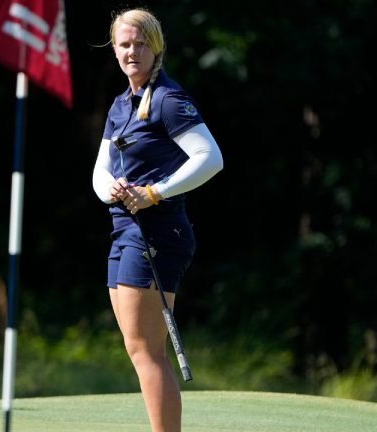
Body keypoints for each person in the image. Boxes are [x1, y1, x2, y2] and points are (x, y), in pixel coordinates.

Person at [92, 8, 224, 432]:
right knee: (139, 348)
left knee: (147, 350)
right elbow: (101, 169)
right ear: (114, 49)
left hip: (156, 233)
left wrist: (155, 192)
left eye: (141, 43)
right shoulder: (120, 104)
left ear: (156, 47)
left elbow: (210, 159)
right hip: (124, 230)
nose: (132, 51)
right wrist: (110, 188)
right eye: (125, 44)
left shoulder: (168, 100)